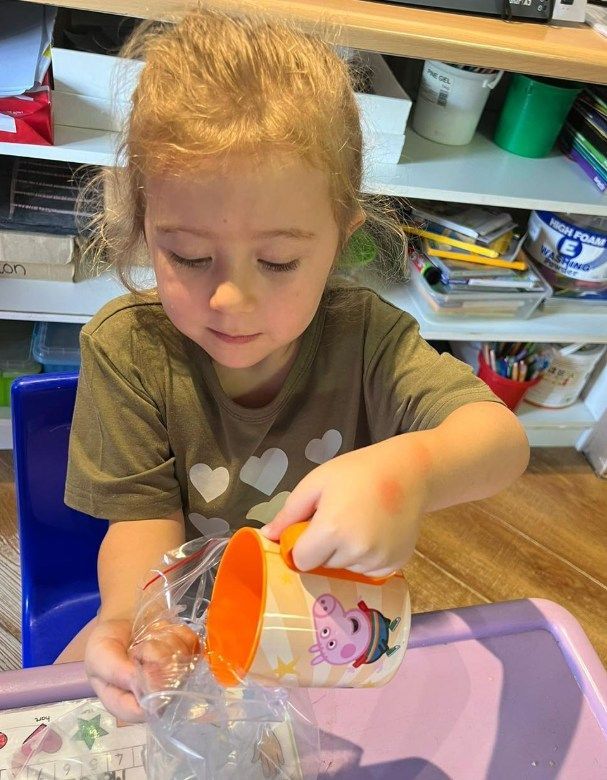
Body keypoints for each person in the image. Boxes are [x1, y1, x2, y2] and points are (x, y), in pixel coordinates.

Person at [59, 6, 529, 722]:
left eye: (278, 261)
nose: (230, 298)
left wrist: (412, 471)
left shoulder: (366, 338)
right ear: (142, 224)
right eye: (187, 255)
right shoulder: (128, 348)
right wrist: (140, 620)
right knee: (77, 696)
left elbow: (499, 443)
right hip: (184, 611)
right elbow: (140, 524)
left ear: (340, 236)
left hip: (321, 618)